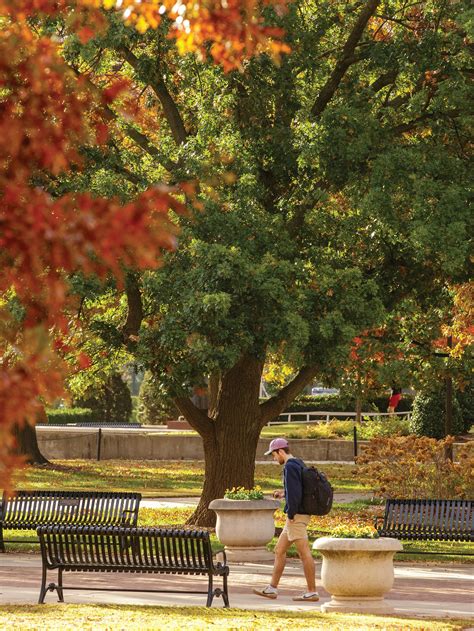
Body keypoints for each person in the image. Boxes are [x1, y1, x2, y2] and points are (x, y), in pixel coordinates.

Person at [253, 437, 319, 602]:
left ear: (280, 452)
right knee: (279, 550)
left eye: (274, 455)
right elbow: (299, 489)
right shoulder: (298, 462)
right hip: (298, 515)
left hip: (295, 516)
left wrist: (290, 515)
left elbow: (296, 495)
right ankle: (272, 588)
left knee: (304, 553)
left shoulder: (289, 467)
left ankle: (312, 591)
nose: (274, 459)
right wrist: (284, 493)